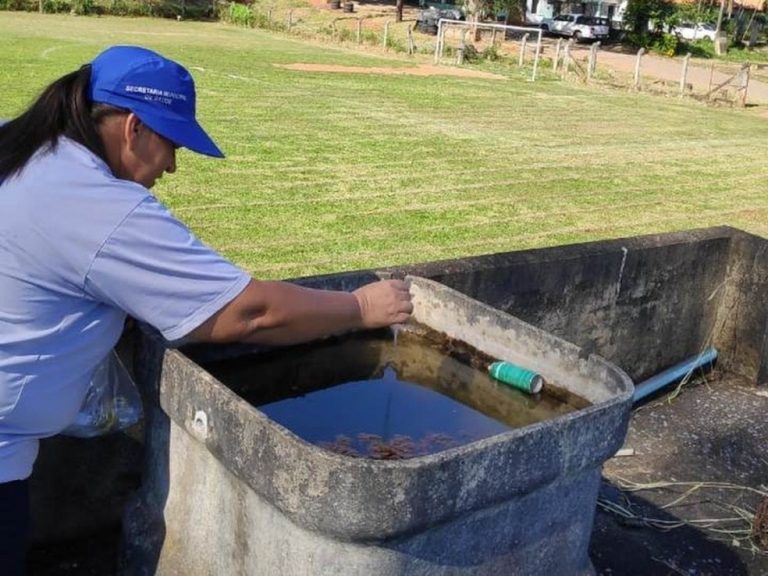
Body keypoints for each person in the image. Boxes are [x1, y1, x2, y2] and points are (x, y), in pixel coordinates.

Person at [0, 45, 413, 575]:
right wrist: (359, 306)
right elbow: (248, 313)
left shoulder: (24, 144)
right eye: (171, 142)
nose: (172, 165)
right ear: (132, 128)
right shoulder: (96, 205)